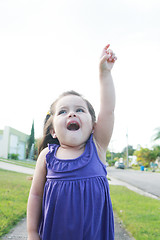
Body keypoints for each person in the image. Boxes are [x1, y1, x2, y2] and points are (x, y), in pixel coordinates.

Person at [27, 44, 117, 240]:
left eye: (80, 109)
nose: (72, 113)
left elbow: (108, 109)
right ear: (53, 131)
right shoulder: (47, 156)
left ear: (93, 125)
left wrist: (104, 73)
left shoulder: (97, 148)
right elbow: (35, 196)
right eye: (63, 111)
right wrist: (32, 232)